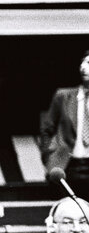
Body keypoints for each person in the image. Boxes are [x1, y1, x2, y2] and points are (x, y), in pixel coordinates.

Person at [41, 51, 89, 198]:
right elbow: (46, 130)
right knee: (67, 211)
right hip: (68, 166)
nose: (83, 67)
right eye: (83, 62)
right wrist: (49, 157)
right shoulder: (63, 96)